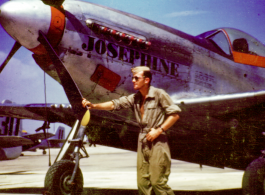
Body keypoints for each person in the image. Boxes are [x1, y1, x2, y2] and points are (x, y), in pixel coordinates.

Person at [82, 66, 181, 195]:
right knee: (143, 184)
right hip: (143, 140)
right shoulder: (135, 98)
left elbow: (175, 115)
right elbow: (114, 104)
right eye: (133, 78)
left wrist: (158, 130)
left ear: (146, 80)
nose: (133, 80)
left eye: (136, 78)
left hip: (158, 140)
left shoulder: (159, 94)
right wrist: (94, 106)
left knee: (158, 183)